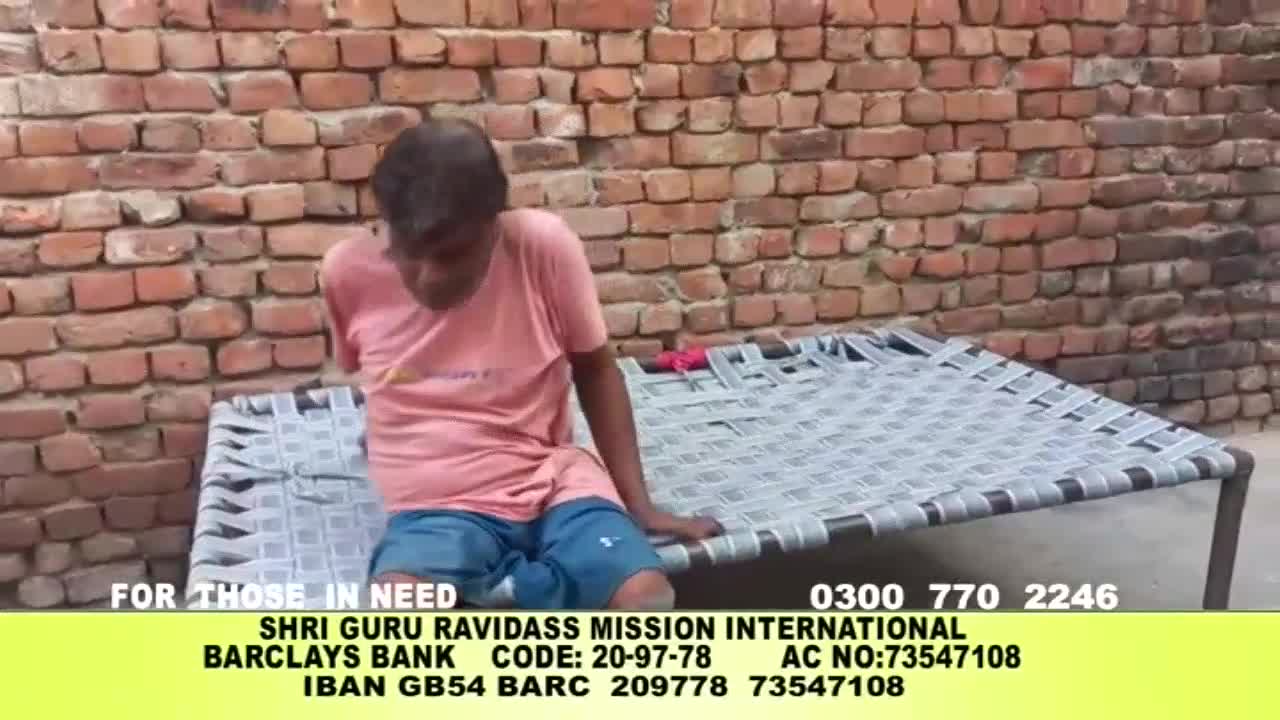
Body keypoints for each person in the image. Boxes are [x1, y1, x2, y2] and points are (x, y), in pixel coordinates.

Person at [319, 118, 723, 611]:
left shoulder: (540, 247)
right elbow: (380, 379)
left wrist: (640, 506)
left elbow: (595, 369)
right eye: (407, 252)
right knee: (398, 606)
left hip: (552, 480)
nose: (427, 277)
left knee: (646, 596)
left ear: (495, 224)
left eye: (452, 255)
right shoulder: (347, 272)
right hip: (437, 505)